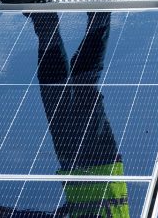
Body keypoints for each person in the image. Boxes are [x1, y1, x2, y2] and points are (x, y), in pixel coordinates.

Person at [30, 12, 131, 217]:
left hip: (75, 170)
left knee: (57, 90)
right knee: (80, 83)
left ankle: (46, 21)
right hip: (101, 165)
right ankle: (99, 14)